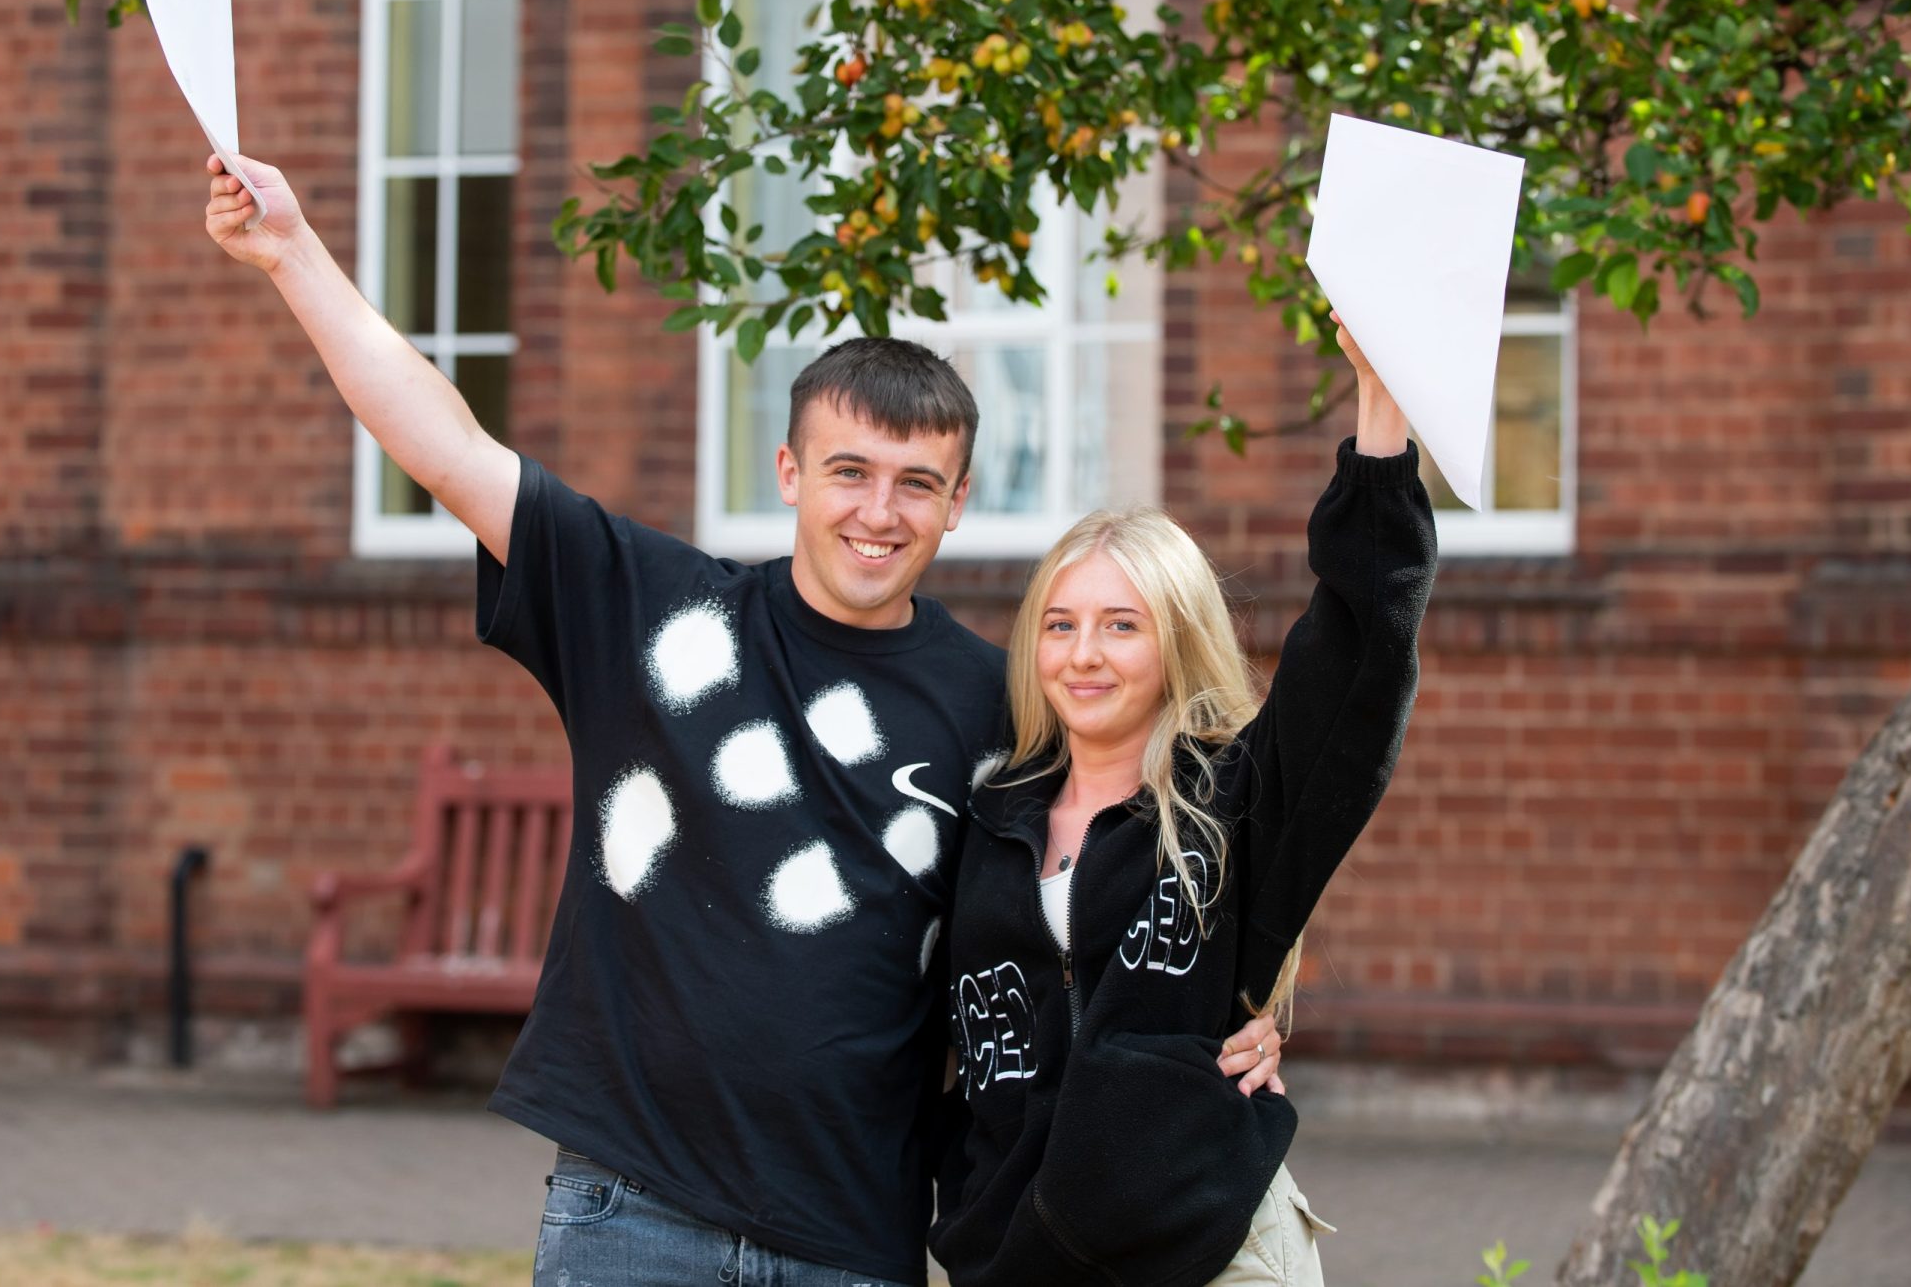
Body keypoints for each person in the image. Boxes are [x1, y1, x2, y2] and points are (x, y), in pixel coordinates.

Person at [200, 153, 1286, 1287]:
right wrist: (292, 252)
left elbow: (1095, 893)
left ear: (958, 501)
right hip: (632, 1212)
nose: (879, 512)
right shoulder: (650, 609)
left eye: (916, 483)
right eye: (849, 471)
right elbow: (449, 446)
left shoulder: (1002, 703)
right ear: (790, 471)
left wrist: (1234, 1017)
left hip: (853, 1233)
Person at [929, 322, 1437, 1287]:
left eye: (1122, 625)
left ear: (1174, 641)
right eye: (1061, 625)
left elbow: (1360, 653)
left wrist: (1381, 420)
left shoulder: (1230, 801)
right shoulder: (987, 816)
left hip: (1210, 1252)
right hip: (1023, 1264)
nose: (1084, 654)